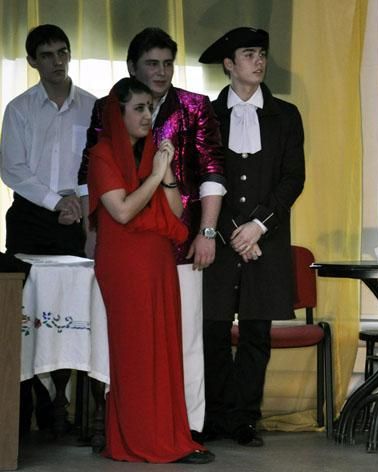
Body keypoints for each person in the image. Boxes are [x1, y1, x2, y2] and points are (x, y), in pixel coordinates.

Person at [77, 27, 225, 438]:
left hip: (180, 239)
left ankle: (187, 427)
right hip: (125, 245)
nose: (161, 72)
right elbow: (90, 174)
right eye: (152, 64)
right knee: (125, 341)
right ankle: (127, 426)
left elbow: (213, 171)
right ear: (132, 67)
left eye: (168, 64)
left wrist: (207, 231)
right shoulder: (110, 107)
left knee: (185, 338)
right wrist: (92, 231)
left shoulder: (194, 106)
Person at [199, 27, 305, 447]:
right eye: (248, 54)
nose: (259, 61)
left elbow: (293, 179)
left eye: (261, 53)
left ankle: (245, 419)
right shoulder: (207, 115)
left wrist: (258, 225)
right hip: (220, 239)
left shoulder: (286, 115)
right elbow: (203, 177)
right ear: (229, 64)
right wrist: (231, 230)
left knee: (256, 333)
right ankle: (216, 416)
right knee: (213, 331)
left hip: (266, 240)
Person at [0, 24, 96, 435]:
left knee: (71, 311)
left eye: (63, 52)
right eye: (47, 55)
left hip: (76, 218)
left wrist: (81, 210)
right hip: (31, 218)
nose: (57, 61)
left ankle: (61, 404)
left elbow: (95, 166)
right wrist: (55, 201)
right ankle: (25, 407)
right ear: (32, 61)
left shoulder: (92, 106)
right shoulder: (19, 108)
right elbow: (13, 169)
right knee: (25, 311)